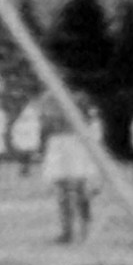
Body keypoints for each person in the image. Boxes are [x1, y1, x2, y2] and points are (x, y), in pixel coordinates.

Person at [39, 91, 101, 244]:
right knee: (65, 194)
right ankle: (69, 232)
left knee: (80, 193)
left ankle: (83, 232)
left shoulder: (84, 108)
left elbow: (91, 131)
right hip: (64, 152)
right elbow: (48, 129)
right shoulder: (52, 103)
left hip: (77, 152)